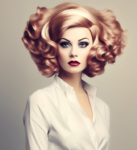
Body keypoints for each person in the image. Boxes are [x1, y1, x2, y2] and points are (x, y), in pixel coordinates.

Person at [22, 2, 127, 150]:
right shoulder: (40, 102)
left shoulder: (102, 108)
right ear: (53, 48)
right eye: (65, 44)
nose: (73, 53)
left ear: (95, 48)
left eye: (83, 44)